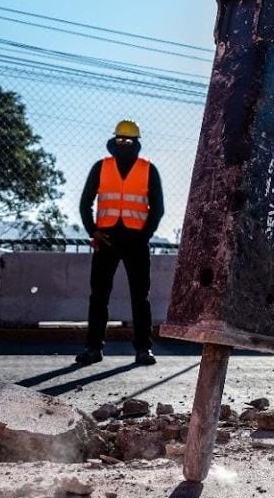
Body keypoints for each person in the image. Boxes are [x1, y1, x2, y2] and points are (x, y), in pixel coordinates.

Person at [75, 120, 165, 366]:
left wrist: (145, 235)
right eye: (120, 140)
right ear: (113, 142)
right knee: (99, 295)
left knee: (140, 297)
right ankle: (93, 348)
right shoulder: (101, 167)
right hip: (107, 239)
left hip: (137, 240)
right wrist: (93, 231)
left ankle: (144, 349)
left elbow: (158, 208)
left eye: (128, 140)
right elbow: (85, 203)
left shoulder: (148, 169)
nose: (124, 144)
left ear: (137, 143)